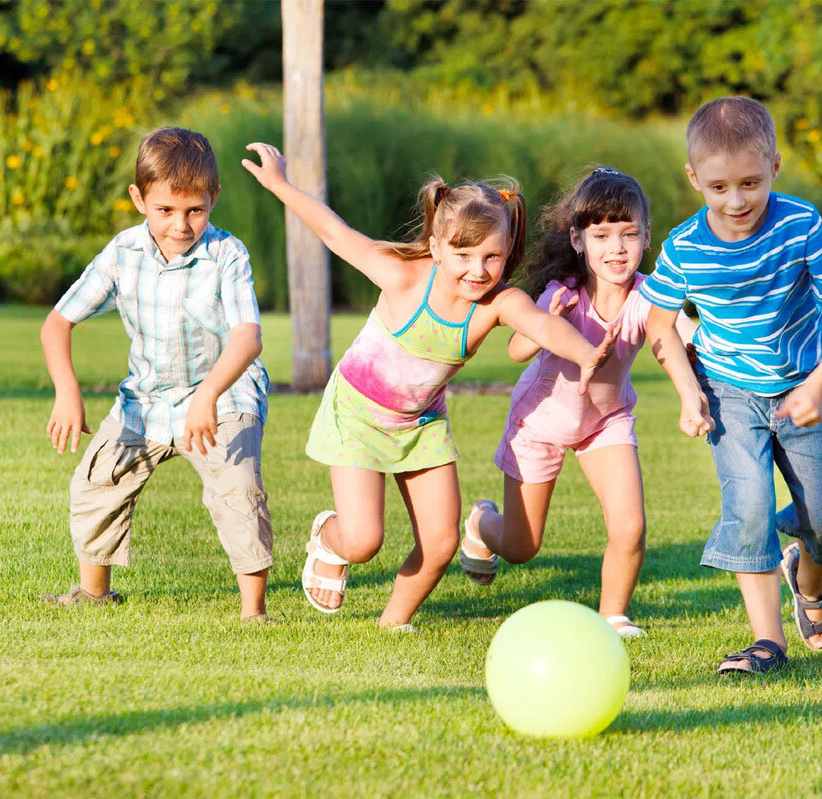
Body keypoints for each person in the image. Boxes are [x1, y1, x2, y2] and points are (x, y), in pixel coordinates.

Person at [241, 142, 614, 630]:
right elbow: (334, 232)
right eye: (463, 254)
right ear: (437, 246)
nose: (477, 271)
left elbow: (542, 326)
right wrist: (280, 185)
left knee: (439, 544)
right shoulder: (401, 276)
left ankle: (392, 624)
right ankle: (331, 540)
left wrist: (587, 353)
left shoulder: (497, 303)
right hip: (357, 415)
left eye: (492, 256)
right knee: (363, 540)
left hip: (421, 424)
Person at [641, 97, 822, 674]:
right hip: (729, 394)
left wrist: (819, 385)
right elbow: (658, 323)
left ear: (774, 167)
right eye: (718, 187)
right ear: (695, 178)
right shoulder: (685, 247)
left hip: (802, 391)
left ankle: (809, 581)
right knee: (748, 506)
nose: (736, 200)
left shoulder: (800, 225)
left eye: (750, 182)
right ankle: (768, 640)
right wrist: (689, 392)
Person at [39, 127, 275, 623]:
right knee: (98, 480)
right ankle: (94, 593)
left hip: (223, 394)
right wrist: (67, 391)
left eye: (195, 210)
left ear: (214, 199)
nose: (181, 225)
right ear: (139, 198)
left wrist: (209, 393)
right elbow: (58, 322)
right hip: (145, 400)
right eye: (166, 210)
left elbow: (248, 337)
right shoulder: (122, 253)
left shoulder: (227, 256)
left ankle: (254, 612)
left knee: (237, 489)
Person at [460, 167, 697, 638]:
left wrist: (699, 379)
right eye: (603, 235)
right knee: (521, 546)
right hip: (540, 422)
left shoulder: (650, 295)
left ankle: (613, 616)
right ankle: (481, 523)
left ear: (647, 237)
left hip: (605, 422)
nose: (617, 248)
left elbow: (677, 337)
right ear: (577, 239)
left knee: (629, 526)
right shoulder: (562, 294)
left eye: (629, 234)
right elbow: (516, 350)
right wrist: (545, 322)